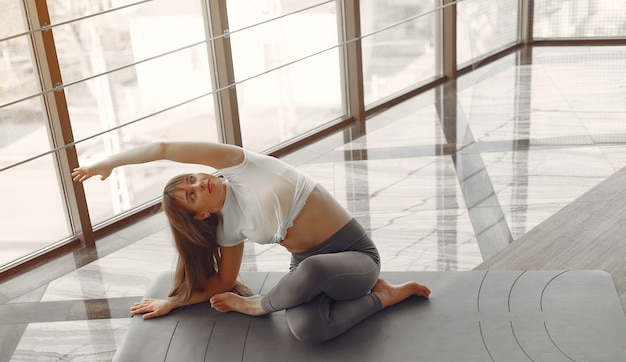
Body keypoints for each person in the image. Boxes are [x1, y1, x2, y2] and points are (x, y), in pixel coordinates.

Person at [72, 141, 430, 343]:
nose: (199, 185)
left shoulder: (239, 165)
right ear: (199, 216)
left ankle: (260, 304)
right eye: (192, 195)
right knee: (308, 331)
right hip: (308, 269)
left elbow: (165, 147)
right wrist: (173, 302)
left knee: (314, 268)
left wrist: (110, 163)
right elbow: (223, 283)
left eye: (193, 180)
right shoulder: (226, 228)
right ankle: (387, 296)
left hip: (355, 258)